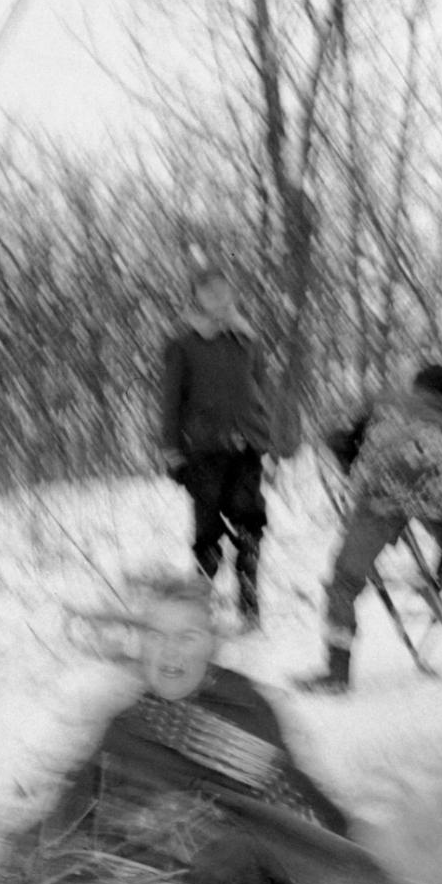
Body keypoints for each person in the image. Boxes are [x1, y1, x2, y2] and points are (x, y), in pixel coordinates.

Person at [0, 575, 439, 884]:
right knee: (48, 836)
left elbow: (289, 800)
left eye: (187, 637)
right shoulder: (128, 721)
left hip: (230, 871)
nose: (169, 651)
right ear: (138, 644)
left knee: (221, 839)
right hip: (134, 857)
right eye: (156, 636)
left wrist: (353, 858)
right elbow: (78, 797)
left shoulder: (242, 707)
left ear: (211, 644)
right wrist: (9, 869)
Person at [298, 360, 442, 690]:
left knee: (345, 578)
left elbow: (338, 440)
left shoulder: (385, 404)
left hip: (380, 487)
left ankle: (336, 669)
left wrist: (355, 473)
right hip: (435, 480)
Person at [157, 263, 279, 627]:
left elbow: (260, 391)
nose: (218, 297)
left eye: (223, 290)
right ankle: (200, 612)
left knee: (249, 527)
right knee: (208, 533)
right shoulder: (182, 342)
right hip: (204, 450)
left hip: (247, 447)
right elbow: (170, 401)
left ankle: (250, 608)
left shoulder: (248, 340)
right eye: (208, 291)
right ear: (195, 297)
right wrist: (172, 451)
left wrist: (266, 439)